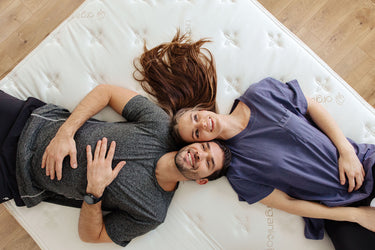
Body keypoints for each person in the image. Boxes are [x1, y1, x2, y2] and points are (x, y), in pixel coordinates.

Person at [0, 32, 232, 247]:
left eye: (208, 162)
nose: (199, 155)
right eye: (203, 147)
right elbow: (106, 92)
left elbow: (91, 236)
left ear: (202, 180)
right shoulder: (158, 125)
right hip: (26, 121)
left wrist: (94, 192)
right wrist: (65, 133)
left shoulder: (152, 212)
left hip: (16, 177)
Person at [143, 76, 375, 249]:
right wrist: (353, 215)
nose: (202, 125)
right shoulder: (236, 171)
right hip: (337, 208)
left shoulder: (260, 94)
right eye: (196, 134)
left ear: (201, 110)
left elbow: (311, 105)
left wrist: (346, 152)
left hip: (362, 163)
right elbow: (287, 203)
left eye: (196, 118)